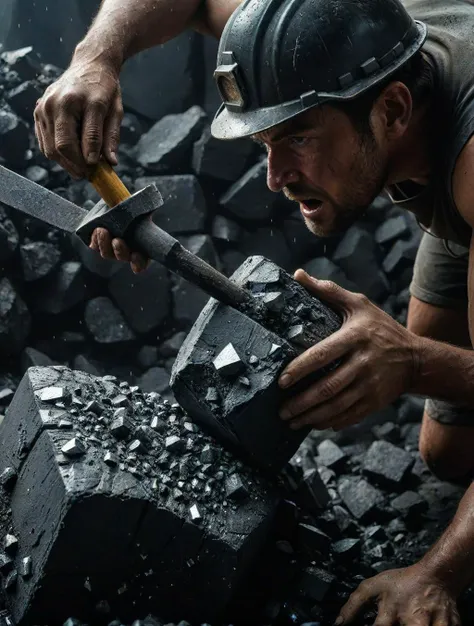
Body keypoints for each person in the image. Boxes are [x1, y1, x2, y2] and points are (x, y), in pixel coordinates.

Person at [33, 0, 474, 623]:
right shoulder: (322, 41)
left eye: (298, 137)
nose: (274, 177)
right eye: (267, 141)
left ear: (395, 109)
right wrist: (95, 58)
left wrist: (438, 576)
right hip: (443, 188)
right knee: (448, 452)